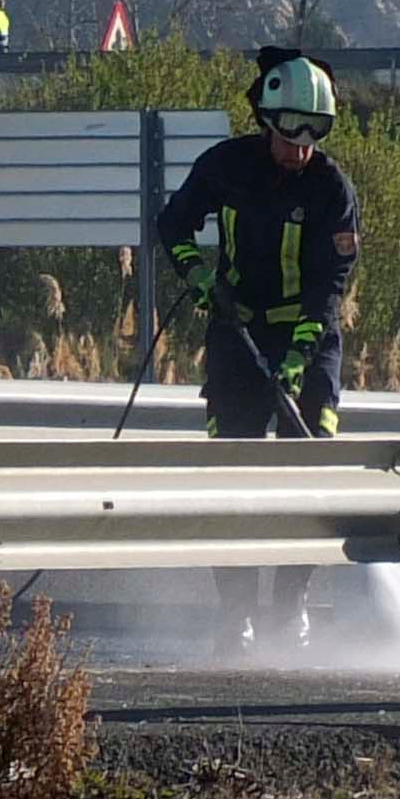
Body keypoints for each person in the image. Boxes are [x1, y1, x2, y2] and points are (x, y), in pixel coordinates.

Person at [153, 51, 362, 646]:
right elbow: (173, 226)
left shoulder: (332, 189)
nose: (300, 148)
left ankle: (289, 604)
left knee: (314, 471)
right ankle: (235, 610)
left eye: (314, 134)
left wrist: (299, 356)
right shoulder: (226, 167)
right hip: (235, 332)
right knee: (232, 476)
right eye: (290, 131)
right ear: (266, 119)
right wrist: (197, 276)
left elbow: (331, 285)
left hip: (307, 339)